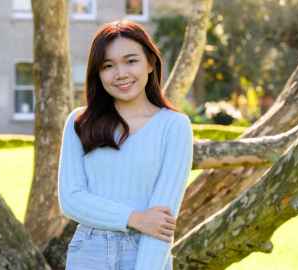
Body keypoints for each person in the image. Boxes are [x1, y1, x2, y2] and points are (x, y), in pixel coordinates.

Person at [57, 20, 193, 270]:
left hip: (145, 251)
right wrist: (135, 218)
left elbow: (161, 223)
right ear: (97, 73)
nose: (121, 74)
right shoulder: (79, 122)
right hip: (89, 252)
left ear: (150, 63)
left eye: (131, 61)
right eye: (108, 66)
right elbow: (71, 199)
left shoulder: (174, 126)